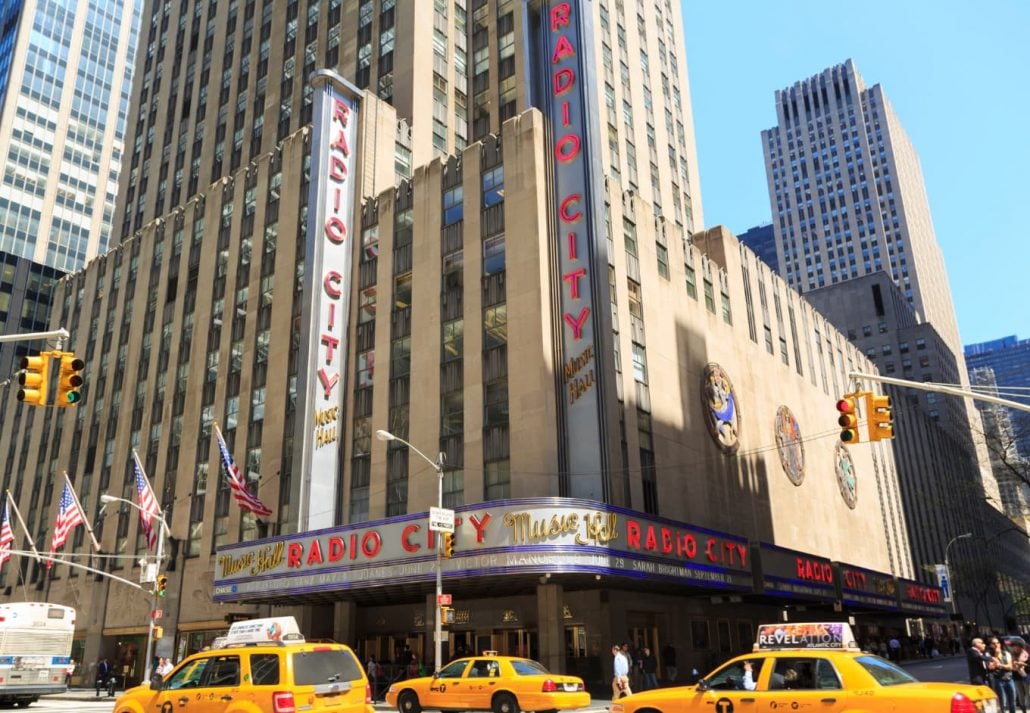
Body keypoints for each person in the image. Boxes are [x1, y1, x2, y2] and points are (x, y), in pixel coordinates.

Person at [989, 638, 1018, 713]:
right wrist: (996, 655)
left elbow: (1010, 667)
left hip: (1009, 679)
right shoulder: (988, 655)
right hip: (999, 680)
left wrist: (999, 665)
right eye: (993, 643)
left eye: (997, 643)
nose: (996, 645)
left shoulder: (1006, 653)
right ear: (991, 645)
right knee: (1002, 702)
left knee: (1012, 701)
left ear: (1000, 644)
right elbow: (991, 667)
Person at [1010, 640, 1028, 713]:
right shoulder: (1011, 655)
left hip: (1026, 676)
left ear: (1021, 647)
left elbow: (1028, 665)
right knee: (1020, 693)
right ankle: (1023, 709)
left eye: (1017, 647)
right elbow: (1010, 665)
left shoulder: (1026, 655)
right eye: (1014, 647)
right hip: (1016, 676)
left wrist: (1021, 663)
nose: (1015, 648)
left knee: (1028, 692)